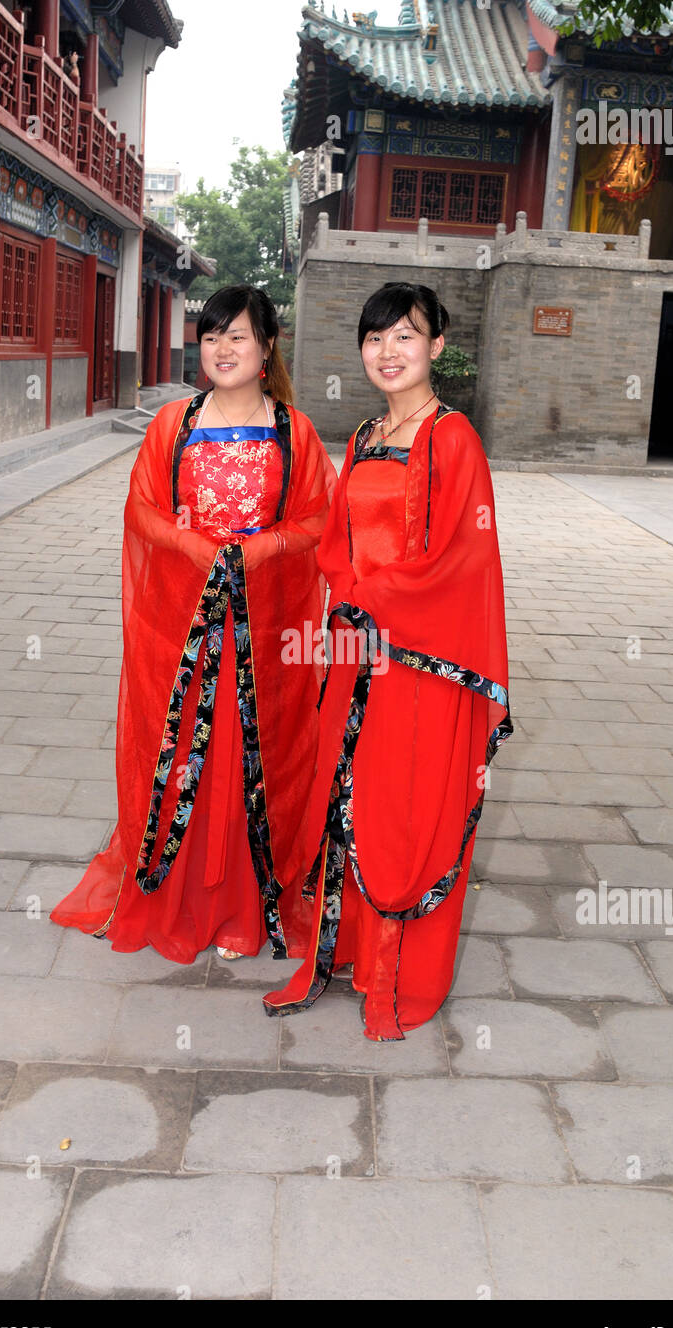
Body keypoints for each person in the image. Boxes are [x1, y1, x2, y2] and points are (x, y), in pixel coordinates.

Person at [51, 285, 336, 964]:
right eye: (212, 336)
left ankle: (243, 906)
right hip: (182, 626)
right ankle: (177, 896)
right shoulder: (173, 423)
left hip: (261, 631)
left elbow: (318, 520)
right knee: (181, 757)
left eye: (238, 336)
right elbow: (142, 509)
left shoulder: (294, 432)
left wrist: (258, 549)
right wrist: (196, 548)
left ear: (268, 348)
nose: (223, 349)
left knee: (250, 759)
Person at [264, 282, 512, 1039]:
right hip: (355, 650)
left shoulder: (453, 437)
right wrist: (344, 598)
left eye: (405, 336)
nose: (388, 352)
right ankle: (344, 953)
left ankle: (395, 974)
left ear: (438, 346)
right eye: (376, 338)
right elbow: (336, 540)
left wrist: (378, 601)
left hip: (419, 662)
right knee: (350, 798)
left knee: (403, 809)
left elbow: (461, 558)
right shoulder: (369, 433)